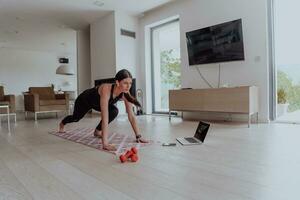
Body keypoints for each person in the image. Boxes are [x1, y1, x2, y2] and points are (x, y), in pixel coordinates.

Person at [58, 69, 148, 151]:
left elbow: (131, 116)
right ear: (117, 82)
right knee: (76, 118)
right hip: (84, 100)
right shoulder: (106, 89)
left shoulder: (125, 93)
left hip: (97, 104)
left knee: (114, 111)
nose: (128, 86)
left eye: (130, 83)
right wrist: (105, 143)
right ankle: (62, 123)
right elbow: (105, 118)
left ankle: (97, 131)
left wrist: (138, 136)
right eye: (125, 83)